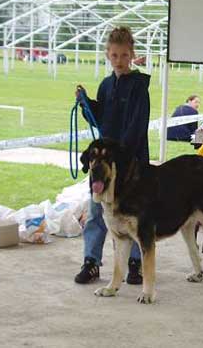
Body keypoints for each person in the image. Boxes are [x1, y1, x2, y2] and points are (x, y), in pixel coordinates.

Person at [74, 26, 150, 285]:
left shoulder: (139, 86)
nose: (119, 60)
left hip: (130, 164)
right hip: (103, 165)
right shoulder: (107, 85)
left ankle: (135, 264)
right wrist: (86, 104)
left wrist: (121, 156)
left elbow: (138, 125)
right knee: (97, 211)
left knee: (134, 214)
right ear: (108, 54)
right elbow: (101, 116)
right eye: (115, 55)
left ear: (132, 55)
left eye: (124, 55)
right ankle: (91, 262)